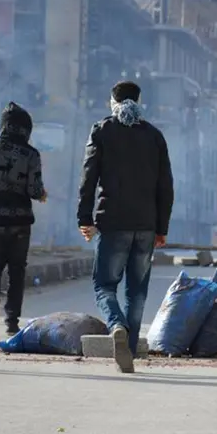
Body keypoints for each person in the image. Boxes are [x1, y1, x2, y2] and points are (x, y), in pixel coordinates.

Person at [77, 80, 173, 374]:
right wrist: (161, 227)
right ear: (139, 101)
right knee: (137, 291)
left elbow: (88, 177)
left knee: (104, 285)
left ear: (112, 102)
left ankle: (116, 326)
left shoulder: (102, 131)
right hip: (145, 226)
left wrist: (85, 218)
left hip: (113, 221)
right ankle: (128, 350)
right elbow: (166, 186)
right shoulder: (154, 136)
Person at [0, 102, 47, 336]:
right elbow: (34, 190)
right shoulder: (31, 154)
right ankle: (12, 322)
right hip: (21, 223)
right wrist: (41, 193)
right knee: (17, 271)